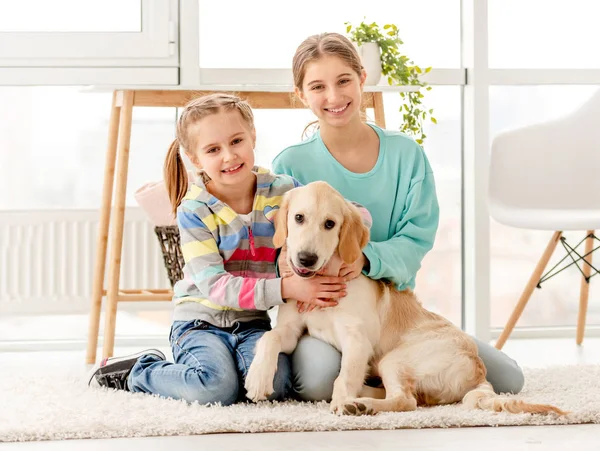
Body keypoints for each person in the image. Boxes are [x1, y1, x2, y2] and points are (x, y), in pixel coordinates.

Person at [272, 32, 525, 401]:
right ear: (301, 95)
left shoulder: (406, 155)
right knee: (316, 382)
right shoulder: (289, 164)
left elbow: (417, 238)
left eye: (344, 80)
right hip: (323, 316)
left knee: (507, 378)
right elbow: (279, 245)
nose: (334, 97)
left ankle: (393, 376)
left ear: (362, 78)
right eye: (318, 86)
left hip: (391, 314)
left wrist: (364, 258)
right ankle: (389, 383)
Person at [88, 93, 348, 405]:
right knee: (215, 389)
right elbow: (214, 286)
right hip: (199, 322)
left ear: (252, 137)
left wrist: (346, 255)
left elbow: (350, 212)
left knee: (275, 387)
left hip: (252, 322)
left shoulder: (283, 190)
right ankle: (139, 371)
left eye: (237, 141)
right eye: (213, 149)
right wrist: (287, 288)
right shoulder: (195, 210)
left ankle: (228, 372)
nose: (229, 156)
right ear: (196, 158)